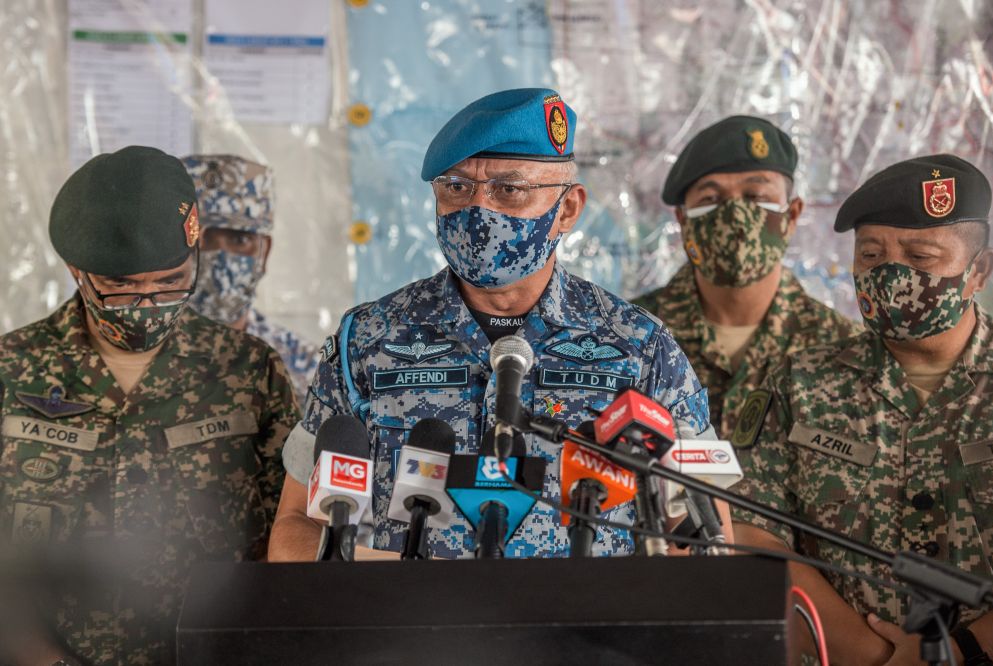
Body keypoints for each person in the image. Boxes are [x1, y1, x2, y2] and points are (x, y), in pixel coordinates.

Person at [268, 88, 725, 562]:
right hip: (412, 629)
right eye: (456, 187)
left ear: (567, 209)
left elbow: (707, 542)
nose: (479, 211)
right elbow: (295, 527)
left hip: (582, 631)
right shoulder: (366, 340)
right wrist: (397, 585)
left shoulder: (640, 347)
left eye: (509, 189)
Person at [0, 146, 299, 664]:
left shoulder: (248, 371)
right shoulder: (12, 370)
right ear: (78, 272)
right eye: (120, 287)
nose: (146, 304)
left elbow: (290, 538)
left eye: (169, 282)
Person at [732, 154, 993, 664]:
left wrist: (966, 651)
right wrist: (873, 655)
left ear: (978, 271)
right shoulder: (798, 385)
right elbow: (754, 534)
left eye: (921, 258)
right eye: (871, 256)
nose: (892, 275)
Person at [633, 116, 859, 452]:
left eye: (755, 196)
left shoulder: (845, 352)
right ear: (682, 221)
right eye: (710, 199)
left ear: (792, 216)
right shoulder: (630, 338)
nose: (736, 215)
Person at [182, 154, 319, 407]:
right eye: (199, 240)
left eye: (239, 240)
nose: (218, 257)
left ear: (263, 253)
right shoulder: (132, 357)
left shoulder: (306, 368)